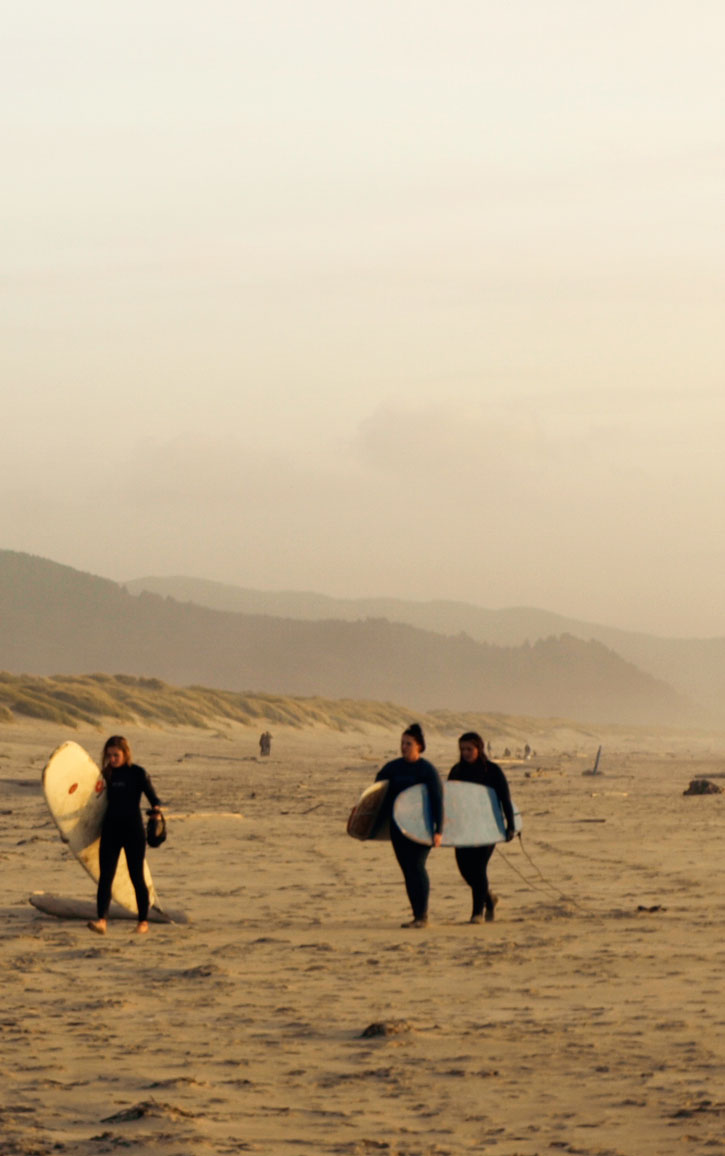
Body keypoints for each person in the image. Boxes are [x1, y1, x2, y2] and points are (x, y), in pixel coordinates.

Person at [88, 735, 162, 936]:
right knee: (106, 877)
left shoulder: (138, 773)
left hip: (133, 831)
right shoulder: (105, 776)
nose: (112, 759)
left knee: (136, 876)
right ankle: (102, 921)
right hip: (111, 830)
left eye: (116, 755)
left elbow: (154, 798)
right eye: (109, 755)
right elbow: (92, 805)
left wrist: (156, 811)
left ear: (125, 754)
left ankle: (143, 922)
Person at [375, 724, 444, 929]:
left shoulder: (427, 770)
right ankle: (417, 915)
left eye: (408, 743)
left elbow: (438, 800)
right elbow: (377, 793)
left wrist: (438, 830)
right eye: (402, 743)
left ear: (420, 746)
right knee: (407, 870)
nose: (403, 747)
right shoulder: (392, 768)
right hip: (398, 827)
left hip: (422, 827)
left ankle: (423, 915)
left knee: (417, 866)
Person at [448, 732, 516, 924]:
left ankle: (477, 913)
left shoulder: (492, 771)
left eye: (469, 749)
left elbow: (505, 799)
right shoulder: (456, 771)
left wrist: (510, 825)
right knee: (465, 869)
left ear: (479, 748)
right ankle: (489, 898)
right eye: (462, 749)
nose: (466, 753)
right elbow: (450, 800)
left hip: (487, 828)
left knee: (478, 868)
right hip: (463, 828)